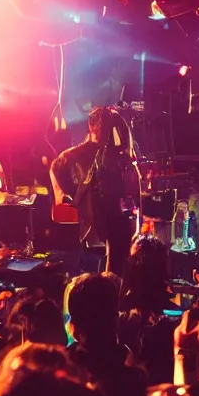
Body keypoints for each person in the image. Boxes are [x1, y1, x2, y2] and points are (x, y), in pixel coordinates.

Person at [50, 106, 140, 274]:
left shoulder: (120, 153)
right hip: (101, 220)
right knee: (105, 270)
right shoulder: (84, 152)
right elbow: (57, 167)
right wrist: (73, 195)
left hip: (115, 221)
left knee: (112, 269)